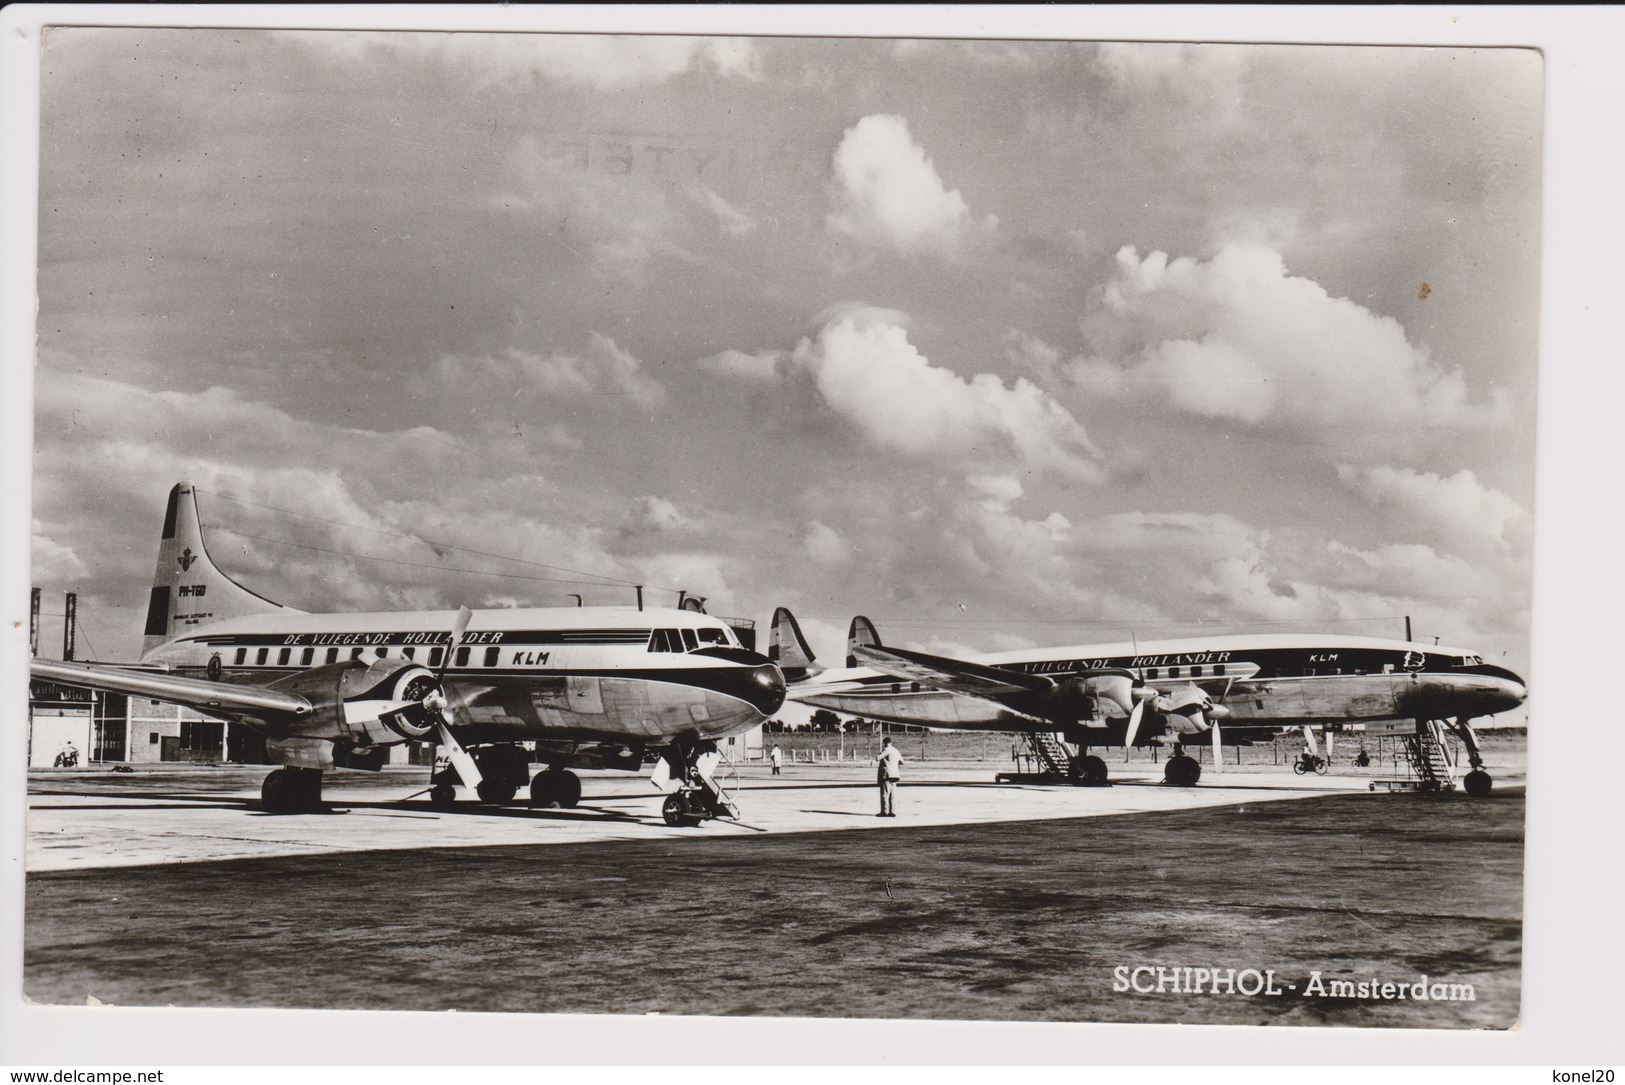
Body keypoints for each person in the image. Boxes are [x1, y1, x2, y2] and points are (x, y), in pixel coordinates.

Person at [874, 737, 903, 817]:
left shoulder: (886, 750)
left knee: (884, 794)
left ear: (884, 743)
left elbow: (877, 758)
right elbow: (902, 761)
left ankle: (884, 812)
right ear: (891, 742)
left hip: (887, 775)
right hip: (895, 775)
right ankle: (892, 812)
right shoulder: (896, 751)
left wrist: (880, 753)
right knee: (893, 794)